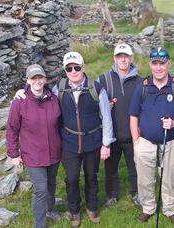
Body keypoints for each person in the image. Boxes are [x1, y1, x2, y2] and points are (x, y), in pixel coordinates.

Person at [14, 52, 115, 227]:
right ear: (65, 70)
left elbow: (106, 117)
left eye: (77, 67)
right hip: (68, 143)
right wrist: (22, 91)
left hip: (92, 141)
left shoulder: (96, 88)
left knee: (91, 176)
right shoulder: (58, 89)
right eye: (69, 68)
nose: (73, 71)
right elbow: (38, 93)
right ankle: (74, 211)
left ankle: (91, 208)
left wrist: (106, 143)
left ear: (83, 67)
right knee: (72, 178)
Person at [129, 47, 174, 224]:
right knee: (145, 179)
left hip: (170, 142)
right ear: (150, 64)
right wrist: (136, 141)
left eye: (162, 64)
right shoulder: (142, 87)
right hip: (145, 142)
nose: (158, 68)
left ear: (168, 64)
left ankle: (169, 209)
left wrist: (173, 123)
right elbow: (133, 115)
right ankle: (148, 208)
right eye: (155, 63)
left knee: (169, 178)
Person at [6, 64, 62, 228]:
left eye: (40, 77)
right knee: (40, 189)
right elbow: (11, 129)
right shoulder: (19, 102)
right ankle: (39, 224)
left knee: (51, 184)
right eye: (33, 78)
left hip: (54, 152)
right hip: (33, 154)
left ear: (45, 79)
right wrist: (14, 154)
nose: (37, 81)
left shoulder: (53, 98)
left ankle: (50, 210)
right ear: (28, 80)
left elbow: (60, 123)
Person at [97, 43, 142, 208]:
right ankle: (112, 195)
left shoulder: (140, 81)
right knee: (110, 169)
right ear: (114, 58)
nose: (123, 59)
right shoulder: (103, 79)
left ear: (131, 58)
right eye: (119, 56)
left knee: (135, 167)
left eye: (126, 56)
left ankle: (136, 193)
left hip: (133, 135)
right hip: (112, 134)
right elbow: (93, 101)